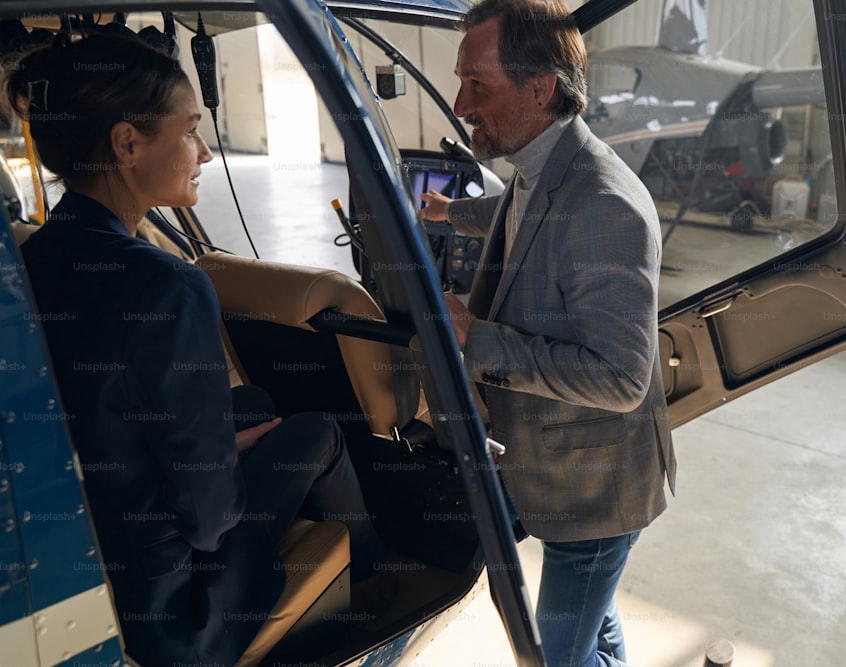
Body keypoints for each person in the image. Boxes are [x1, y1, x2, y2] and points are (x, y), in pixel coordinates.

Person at [5, 32, 389, 667]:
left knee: (256, 404)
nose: (205, 152)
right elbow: (210, 521)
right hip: (173, 608)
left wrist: (215, 446)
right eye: (189, 132)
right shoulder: (168, 284)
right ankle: (379, 585)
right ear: (127, 144)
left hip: (89, 530)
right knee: (317, 432)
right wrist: (218, 465)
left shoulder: (31, 257)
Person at [419, 0, 677, 664]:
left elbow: (621, 379)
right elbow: (518, 213)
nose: (460, 103)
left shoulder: (604, 207)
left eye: (479, 84)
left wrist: (476, 335)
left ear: (541, 88)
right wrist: (452, 211)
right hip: (556, 475)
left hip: (595, 491)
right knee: (596, 618)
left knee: (557, 652)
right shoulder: (544, 169)